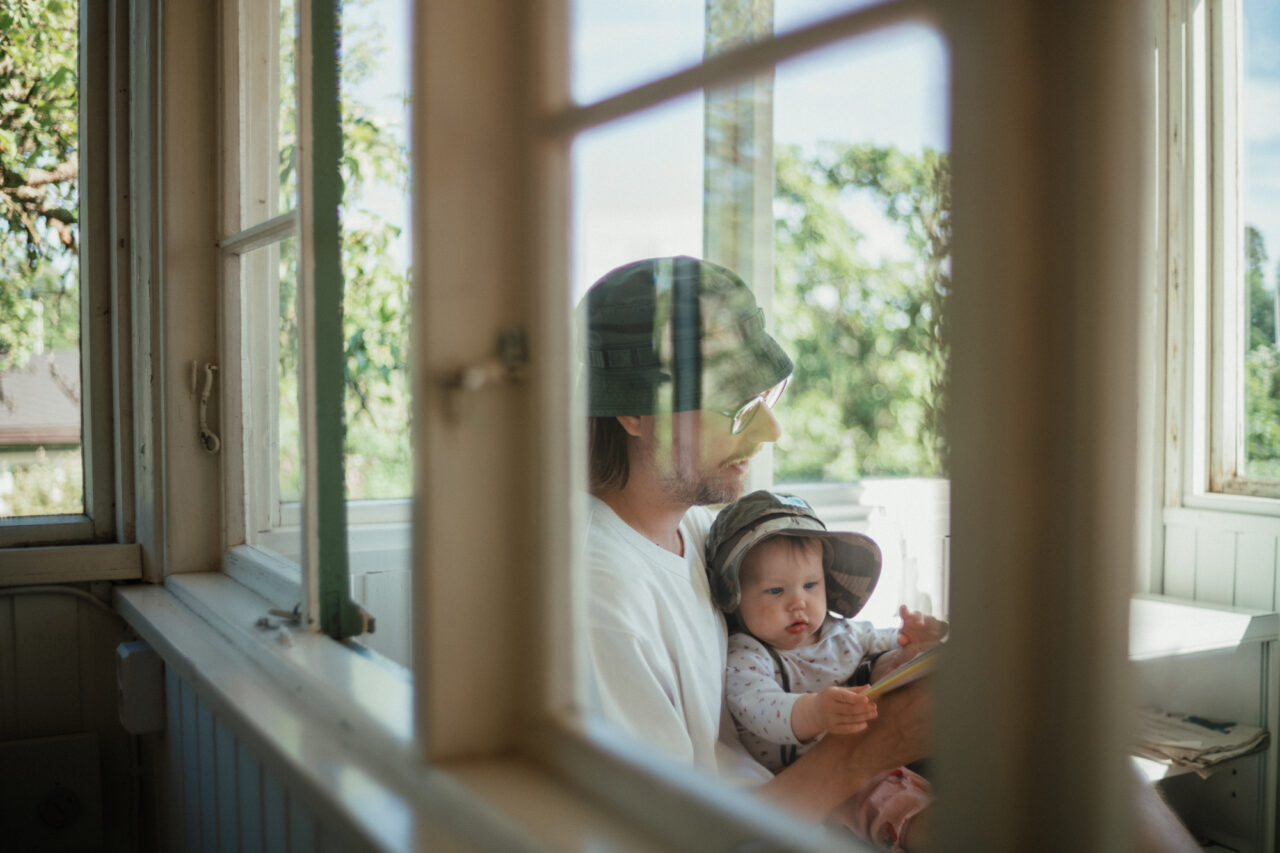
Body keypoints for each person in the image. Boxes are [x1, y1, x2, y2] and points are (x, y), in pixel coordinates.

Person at [581, 256, 930, 819]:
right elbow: (673, 838)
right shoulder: (599, 598)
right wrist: (879, 741)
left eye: (770, 398)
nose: (772, 430)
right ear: (635, 412)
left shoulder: (696, 528)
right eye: (741, 407)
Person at [706, 489, 947, 850]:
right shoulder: (749, 655)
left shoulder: (841, 632)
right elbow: (758, 708)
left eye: (810, 585)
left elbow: (885, 642)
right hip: (816, 776)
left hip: (881, 752)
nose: (798, 602)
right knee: (900, 809)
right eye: (775, 591)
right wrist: (815, 711)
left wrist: (912, 636)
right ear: (737, 598)